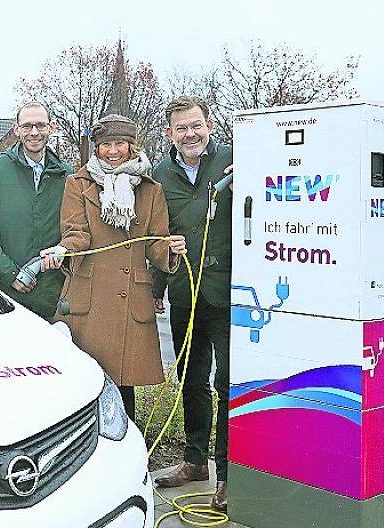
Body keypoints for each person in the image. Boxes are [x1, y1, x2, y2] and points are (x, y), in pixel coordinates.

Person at [39, 114, 185, 422]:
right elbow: (76, 233)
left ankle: (124, 444)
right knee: (84, 381)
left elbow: (155, 242)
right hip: (89, 296)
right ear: (97, 148)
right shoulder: (77, 184)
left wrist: (169, 250)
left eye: (120, 143)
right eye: (106, 144)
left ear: (132, 146)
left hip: (129, 297)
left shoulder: (151, 190)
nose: (113, 151)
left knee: (123, 386)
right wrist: (64, 249)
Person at [151, 95, 233, 512]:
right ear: (169, 133)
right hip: (184, 291)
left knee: (228, 383)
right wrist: (157, 285)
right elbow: (154, 233)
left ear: (209, 125)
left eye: (196, 125)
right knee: (192, 378)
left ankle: (229, 474)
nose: (190, 134)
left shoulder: (233, 161)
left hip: (229, 292)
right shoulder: (160, 174)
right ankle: (195, 461)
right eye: (181, 128)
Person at [0, 102, 74, 320]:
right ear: (17, 129)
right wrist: (10, 274)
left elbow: (76, 230)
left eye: (41, 125)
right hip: (6, 297)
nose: (34, 132)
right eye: (27, 126)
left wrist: (63, 251)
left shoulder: (67, 176)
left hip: (52, 298)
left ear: (51, 128)